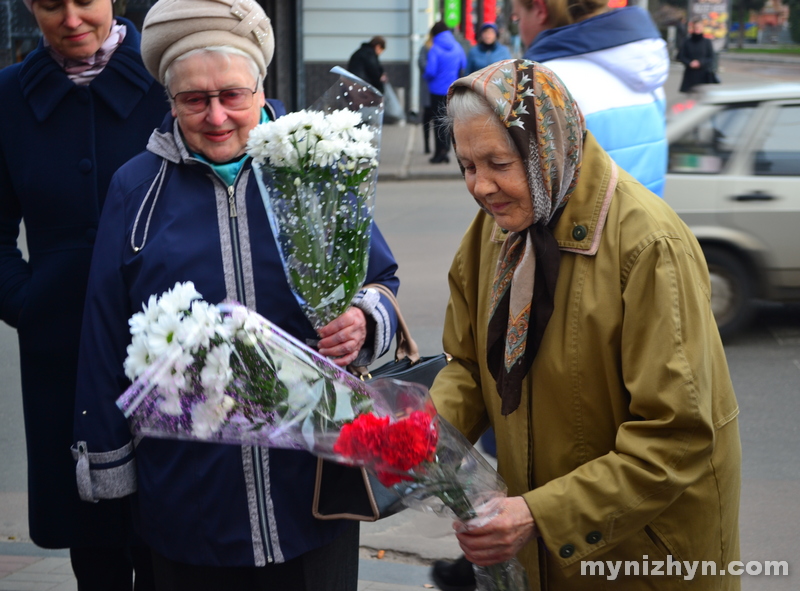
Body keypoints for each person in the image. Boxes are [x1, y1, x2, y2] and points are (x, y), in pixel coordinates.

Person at [70, 0, 400, 589]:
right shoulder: (135, 188)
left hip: (313, 490)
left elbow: (379, 279)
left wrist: (364, 319)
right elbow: (103, 333)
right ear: (170, 102)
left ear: (261, 88)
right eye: (194, 99)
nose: (216, 116)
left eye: (232, 95)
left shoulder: (311, 165)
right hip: (190, 498)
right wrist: (109, 465)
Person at [431, 60, 741, 591]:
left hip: (643, 557)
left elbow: (677, 435)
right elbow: (468, 363)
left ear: (546, 147)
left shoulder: (649, 245)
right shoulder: (494, 231)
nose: (481, 187)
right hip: (547, 555)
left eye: (499, 163)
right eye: (466, 166)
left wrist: (538, 515)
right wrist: (418, 436)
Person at [0, 0, 168, 587]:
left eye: (84, 1)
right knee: (91, 545)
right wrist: (29, 302)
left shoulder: (167, 79)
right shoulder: (9, 96)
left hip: (168, 349)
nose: (71, 18)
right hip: (61, 356)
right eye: (50, 4)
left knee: (168, 532)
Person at [516, 0, 670, 196]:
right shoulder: (647, 73)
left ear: (539, 9)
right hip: (645, 222)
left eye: (518, 17)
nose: (520, 28)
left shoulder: (543, 82)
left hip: (581, 226)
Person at [424, 21, 466, 164]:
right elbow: (463, 65)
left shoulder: (435, 49)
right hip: (451, 90)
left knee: (437, 122)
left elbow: (430, 71)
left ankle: (438, 153)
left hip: (436, 91)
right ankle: (447, 150)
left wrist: (426, 77)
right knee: (449, 121)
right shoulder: (457, 46)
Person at [679, 18, 718, 94]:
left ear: (702, 28)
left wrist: (700, 62)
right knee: (690, 98)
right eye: (695, 27)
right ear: (692, 28)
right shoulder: (687, 41)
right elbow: (681, 56)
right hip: (690, 75)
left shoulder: (707, 42)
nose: (697, 29)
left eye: (699, 27)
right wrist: (690, 63)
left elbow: (711, 57)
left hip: (704, 74)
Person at [418, 32, 435, 154]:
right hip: (428, 89)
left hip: (439, 90)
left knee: (440, 121)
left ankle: (441, 148)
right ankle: (427, 146)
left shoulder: (443, 48)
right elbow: (421, 63)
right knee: (427, 118)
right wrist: (432, 69)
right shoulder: (425, 47)